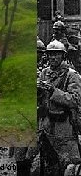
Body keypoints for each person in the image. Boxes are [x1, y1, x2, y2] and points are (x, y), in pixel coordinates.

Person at [37, 40, 81, 175]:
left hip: (64, 127)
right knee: (49, 163)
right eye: (50, 55)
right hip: (47, 125)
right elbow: (41, 99)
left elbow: (75, 100)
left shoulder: (71, 75)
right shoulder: (44, 72)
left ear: (63, 56)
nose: (53, 58)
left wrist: (53, 91)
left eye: (56, 55)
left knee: (70, 166)